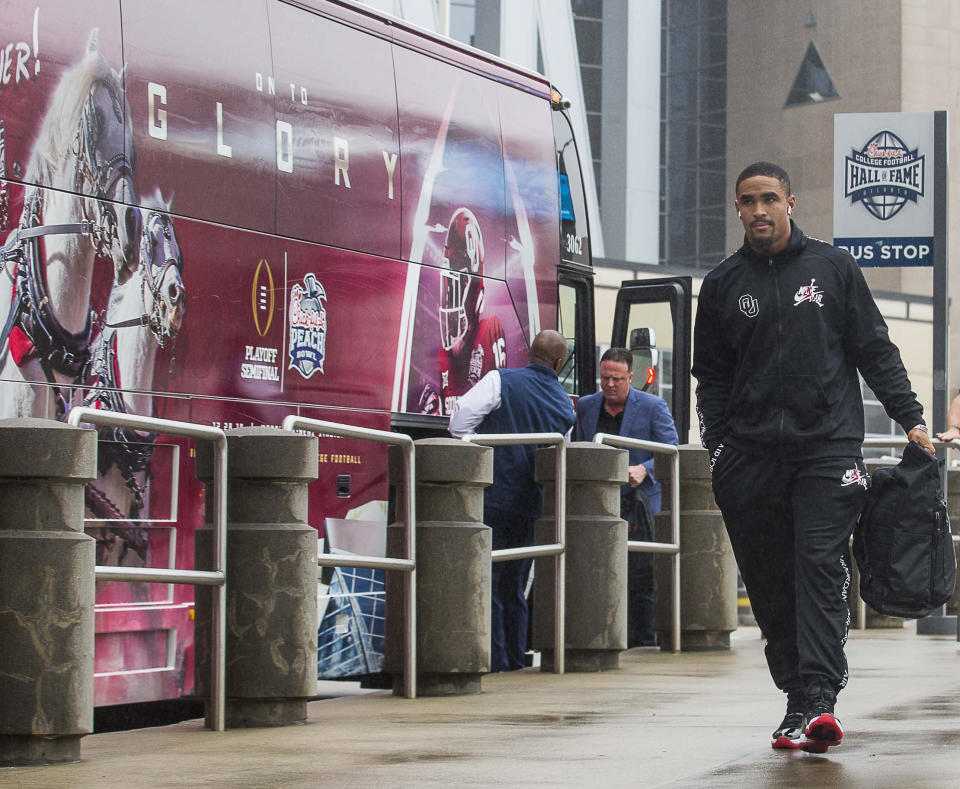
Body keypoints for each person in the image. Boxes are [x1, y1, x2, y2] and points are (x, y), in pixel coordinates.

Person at [692, 161, 934, 754]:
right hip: (748, 459)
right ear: (738, 210)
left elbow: (873, 348)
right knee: (772, 582)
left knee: (820, 566)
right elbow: (711, 378)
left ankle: (821, 699)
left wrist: (912, 417)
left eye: (769, 199)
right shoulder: (723, 285)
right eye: (747, 202)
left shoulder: (832, 267)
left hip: (827, 448)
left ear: (791, 203)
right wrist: (719, 447)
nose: (758, 211)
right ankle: (797, 698)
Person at [449, 329, 575, 672]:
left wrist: (480, 442)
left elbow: (459, 422)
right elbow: (558, 455)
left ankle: (495, 659)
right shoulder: (566, 406)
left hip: (493, 496)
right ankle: (516, 660)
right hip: (531, 503)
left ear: (529, 352)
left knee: (487, 580)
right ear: (559, 362)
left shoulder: (499, 380)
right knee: (515, 586)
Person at [575, 347, 678, 646]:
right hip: (599, 506)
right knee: (599, 575)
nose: (609, 385)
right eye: (604, 378)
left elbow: (671, 452)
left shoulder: (653, 407)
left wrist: (645, 470)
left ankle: (645, 642)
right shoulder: (587, 406)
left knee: (641, 579)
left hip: (640, 507)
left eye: (616, 379)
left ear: (630, 377)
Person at [421, 207, 507, 416]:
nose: (450, 298)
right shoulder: (443, 353)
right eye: (448, 285)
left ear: (478, 298)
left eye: (457, 286)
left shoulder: (489, 331)